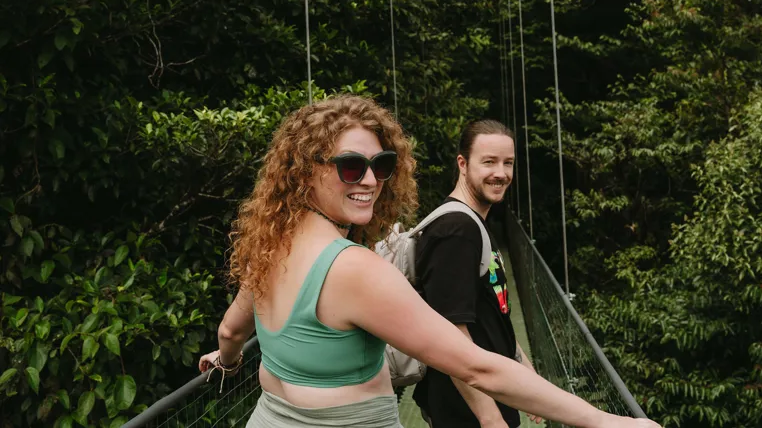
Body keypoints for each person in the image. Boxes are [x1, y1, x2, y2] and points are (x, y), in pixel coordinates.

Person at [199, 95, 661, 428]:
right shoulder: (352, 269)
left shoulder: (272, 244)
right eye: (349, 167)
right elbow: (477, 367)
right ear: (305, 172)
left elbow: (231, 331)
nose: (370, 181)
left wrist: (228, 360)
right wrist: (607, 423)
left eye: (380, 165)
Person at [413, 119, 536, 428]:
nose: (501, 173)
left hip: (490, 395)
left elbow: (493, 313)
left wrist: (527, 375)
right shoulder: (456, 231)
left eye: (508, 163)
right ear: (463, 163)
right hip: (468, 411)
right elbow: (451, 333)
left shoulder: (474, 223)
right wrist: (490, 418)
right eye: (489, 162)